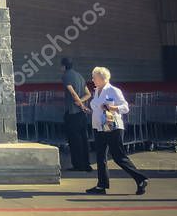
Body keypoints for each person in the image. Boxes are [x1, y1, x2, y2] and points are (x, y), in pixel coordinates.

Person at [86, 66, 148, 195]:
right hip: (99, 127)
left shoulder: (114, 90)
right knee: (100, 157)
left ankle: (140, 178)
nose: (92, 79)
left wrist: (113, 107)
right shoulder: (96, 91)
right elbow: (97, 107)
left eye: (94, 77)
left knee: (118, 157)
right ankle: (101, 185)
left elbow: (125, 107)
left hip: (112, 127)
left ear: (102, 78)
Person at [61, 58, 92, 172]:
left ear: (64, 66)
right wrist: (82, 102)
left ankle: (78, 165)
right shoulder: (80, 76)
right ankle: (86, 164)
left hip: (72, 113)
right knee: (84, 139)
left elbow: (72, 92)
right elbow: (88, 94)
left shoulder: (66, 76)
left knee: (74, 140)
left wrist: (80, 104)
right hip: (81, 115)